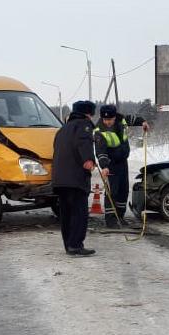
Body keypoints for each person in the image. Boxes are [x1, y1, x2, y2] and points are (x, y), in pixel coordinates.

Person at [52, 100, 103, 256]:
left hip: (60, 179)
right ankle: (76, 245)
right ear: (88, 113)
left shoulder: (62, 129)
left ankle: (69, 245)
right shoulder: (84, 125)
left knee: (66, 213)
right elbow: (83, 143)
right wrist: (88, 160)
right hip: (75, 178)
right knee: (79, 213)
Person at [94, 104, 150, 228]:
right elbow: (100, 151)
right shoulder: (99, 131)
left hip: (123, 162)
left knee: (123, 190)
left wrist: (143, 122)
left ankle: (120, 216)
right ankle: (111, 220)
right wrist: (104, 166)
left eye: (110, 120)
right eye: (105, 120)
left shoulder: (122, 120)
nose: (108, 122)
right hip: (110, 164)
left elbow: (133, 119)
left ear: (115, 117)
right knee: (112, 192)